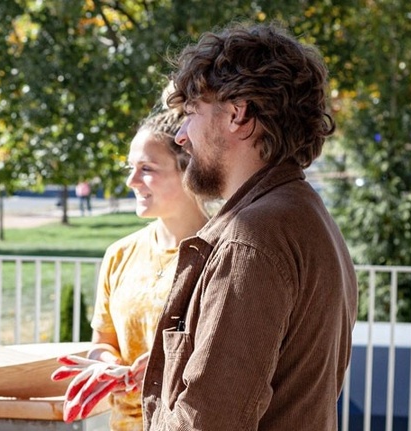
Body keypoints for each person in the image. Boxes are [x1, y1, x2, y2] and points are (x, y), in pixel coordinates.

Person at [137, 24, 357, 429]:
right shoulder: (303, 214)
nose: (182, 136)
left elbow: (207, 421)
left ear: (238, 114)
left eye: (190, 113)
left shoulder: (251, 238)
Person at [52, 107, 208, 429]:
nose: (131, 180)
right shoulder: (119, 254)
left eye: (146, 169)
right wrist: (108, 366)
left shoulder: (221, 255)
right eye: (130, 167)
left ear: (188, 170)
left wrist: (164, 367)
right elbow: (103, 343)